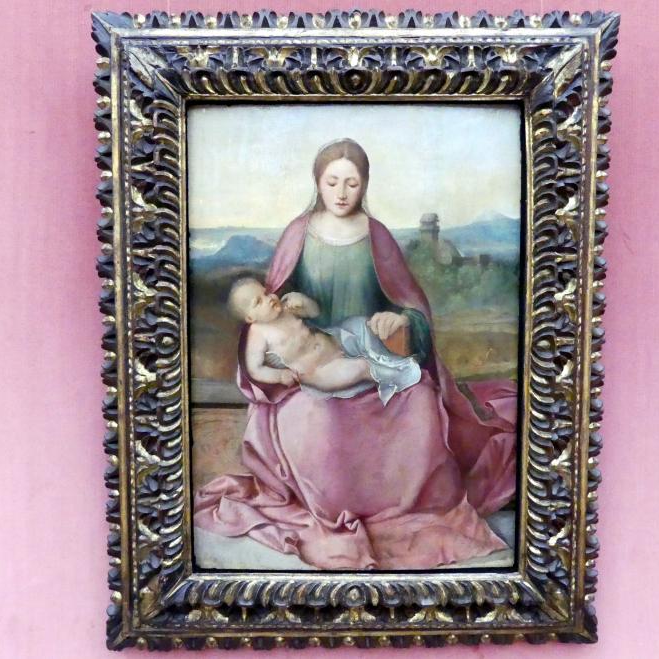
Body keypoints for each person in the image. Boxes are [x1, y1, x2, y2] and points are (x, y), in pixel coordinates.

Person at [194, 138, 518, 570]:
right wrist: (284, 353)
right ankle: (336, 509)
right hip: (310, 370)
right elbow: (266, 316)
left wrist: (398, 319)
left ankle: (407, 506)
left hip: (362, 346)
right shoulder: (298, 234)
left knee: (420, 400)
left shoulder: (377, 235)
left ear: (364, 184)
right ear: (318, 183)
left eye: (352, 182)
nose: (342, 192)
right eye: (332, 182)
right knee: (319, 420)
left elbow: (411, 306)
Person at [226, 277, 421, 404]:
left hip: (336, 343)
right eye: (258, 301)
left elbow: (315, 312)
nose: (269, 298)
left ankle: (385, 359)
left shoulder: (285, 307)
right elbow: (254, 369)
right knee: (360, 367)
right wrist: (279, 376)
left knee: (360, 324)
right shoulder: (258, 334)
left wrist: (303, 302)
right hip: (319, 372)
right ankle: (394, 376)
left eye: (266, 292)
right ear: (250, 317)